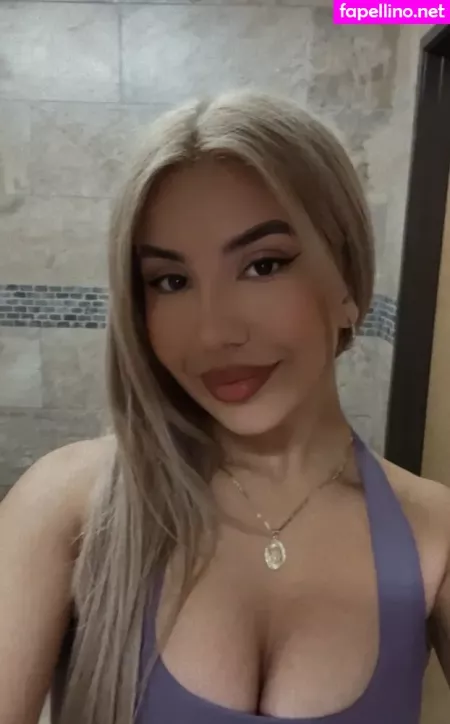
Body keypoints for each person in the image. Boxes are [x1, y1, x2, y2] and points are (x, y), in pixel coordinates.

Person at [1, 90, 450, 724]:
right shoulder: (67, 506)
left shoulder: (433, 533)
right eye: (171, 281)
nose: (214, 333)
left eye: (263, 265)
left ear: (348, 283)